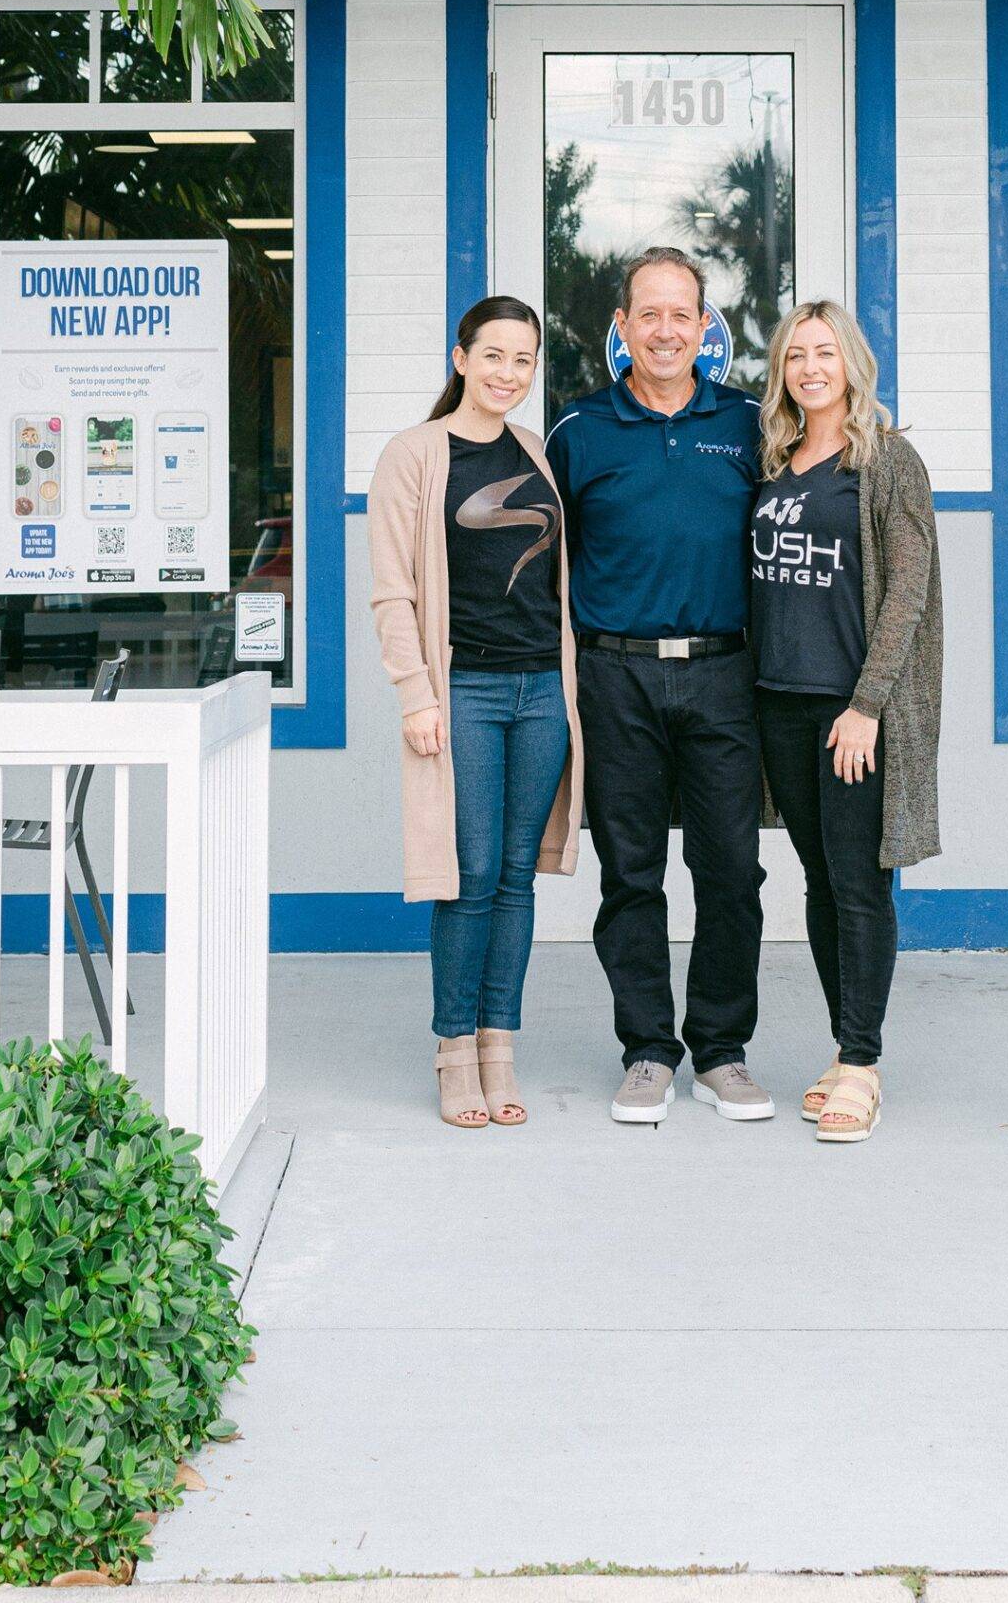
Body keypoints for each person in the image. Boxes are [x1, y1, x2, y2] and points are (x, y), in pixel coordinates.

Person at [546, 246, 771, 1126]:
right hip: (614, 674)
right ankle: (646, 1049)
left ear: (704, 327)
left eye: (683, 314)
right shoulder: (579, 430)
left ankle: (720, 1050)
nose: (666, 329)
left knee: (730, 872)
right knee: (630, 874)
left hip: (723, 673)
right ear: (623, 328)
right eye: (650, 314)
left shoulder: (752, 423)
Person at [369, 296, 584, 1130]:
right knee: (468, 877)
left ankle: (500, 1046)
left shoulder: (534, 451)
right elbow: (393, 590)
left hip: (540, 694)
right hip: (464, 694)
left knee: (515, 877)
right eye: (492, 356)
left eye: (522, 361)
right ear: (460, 358)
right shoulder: (414, 455)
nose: (507, 374)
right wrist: (415, 694)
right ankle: (454, 1051)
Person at [751, 299, 942, 1143]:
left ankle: (861, 1065)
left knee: (860, 882)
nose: (810, 369)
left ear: (851, 363)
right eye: (796, 356)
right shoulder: (777, 458)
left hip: (849, 709)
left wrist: (866, 705)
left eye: (824, 353)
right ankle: (844, 1046)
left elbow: (908, 589)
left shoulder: (889, 460)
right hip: (781, 704)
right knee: (820, 881)